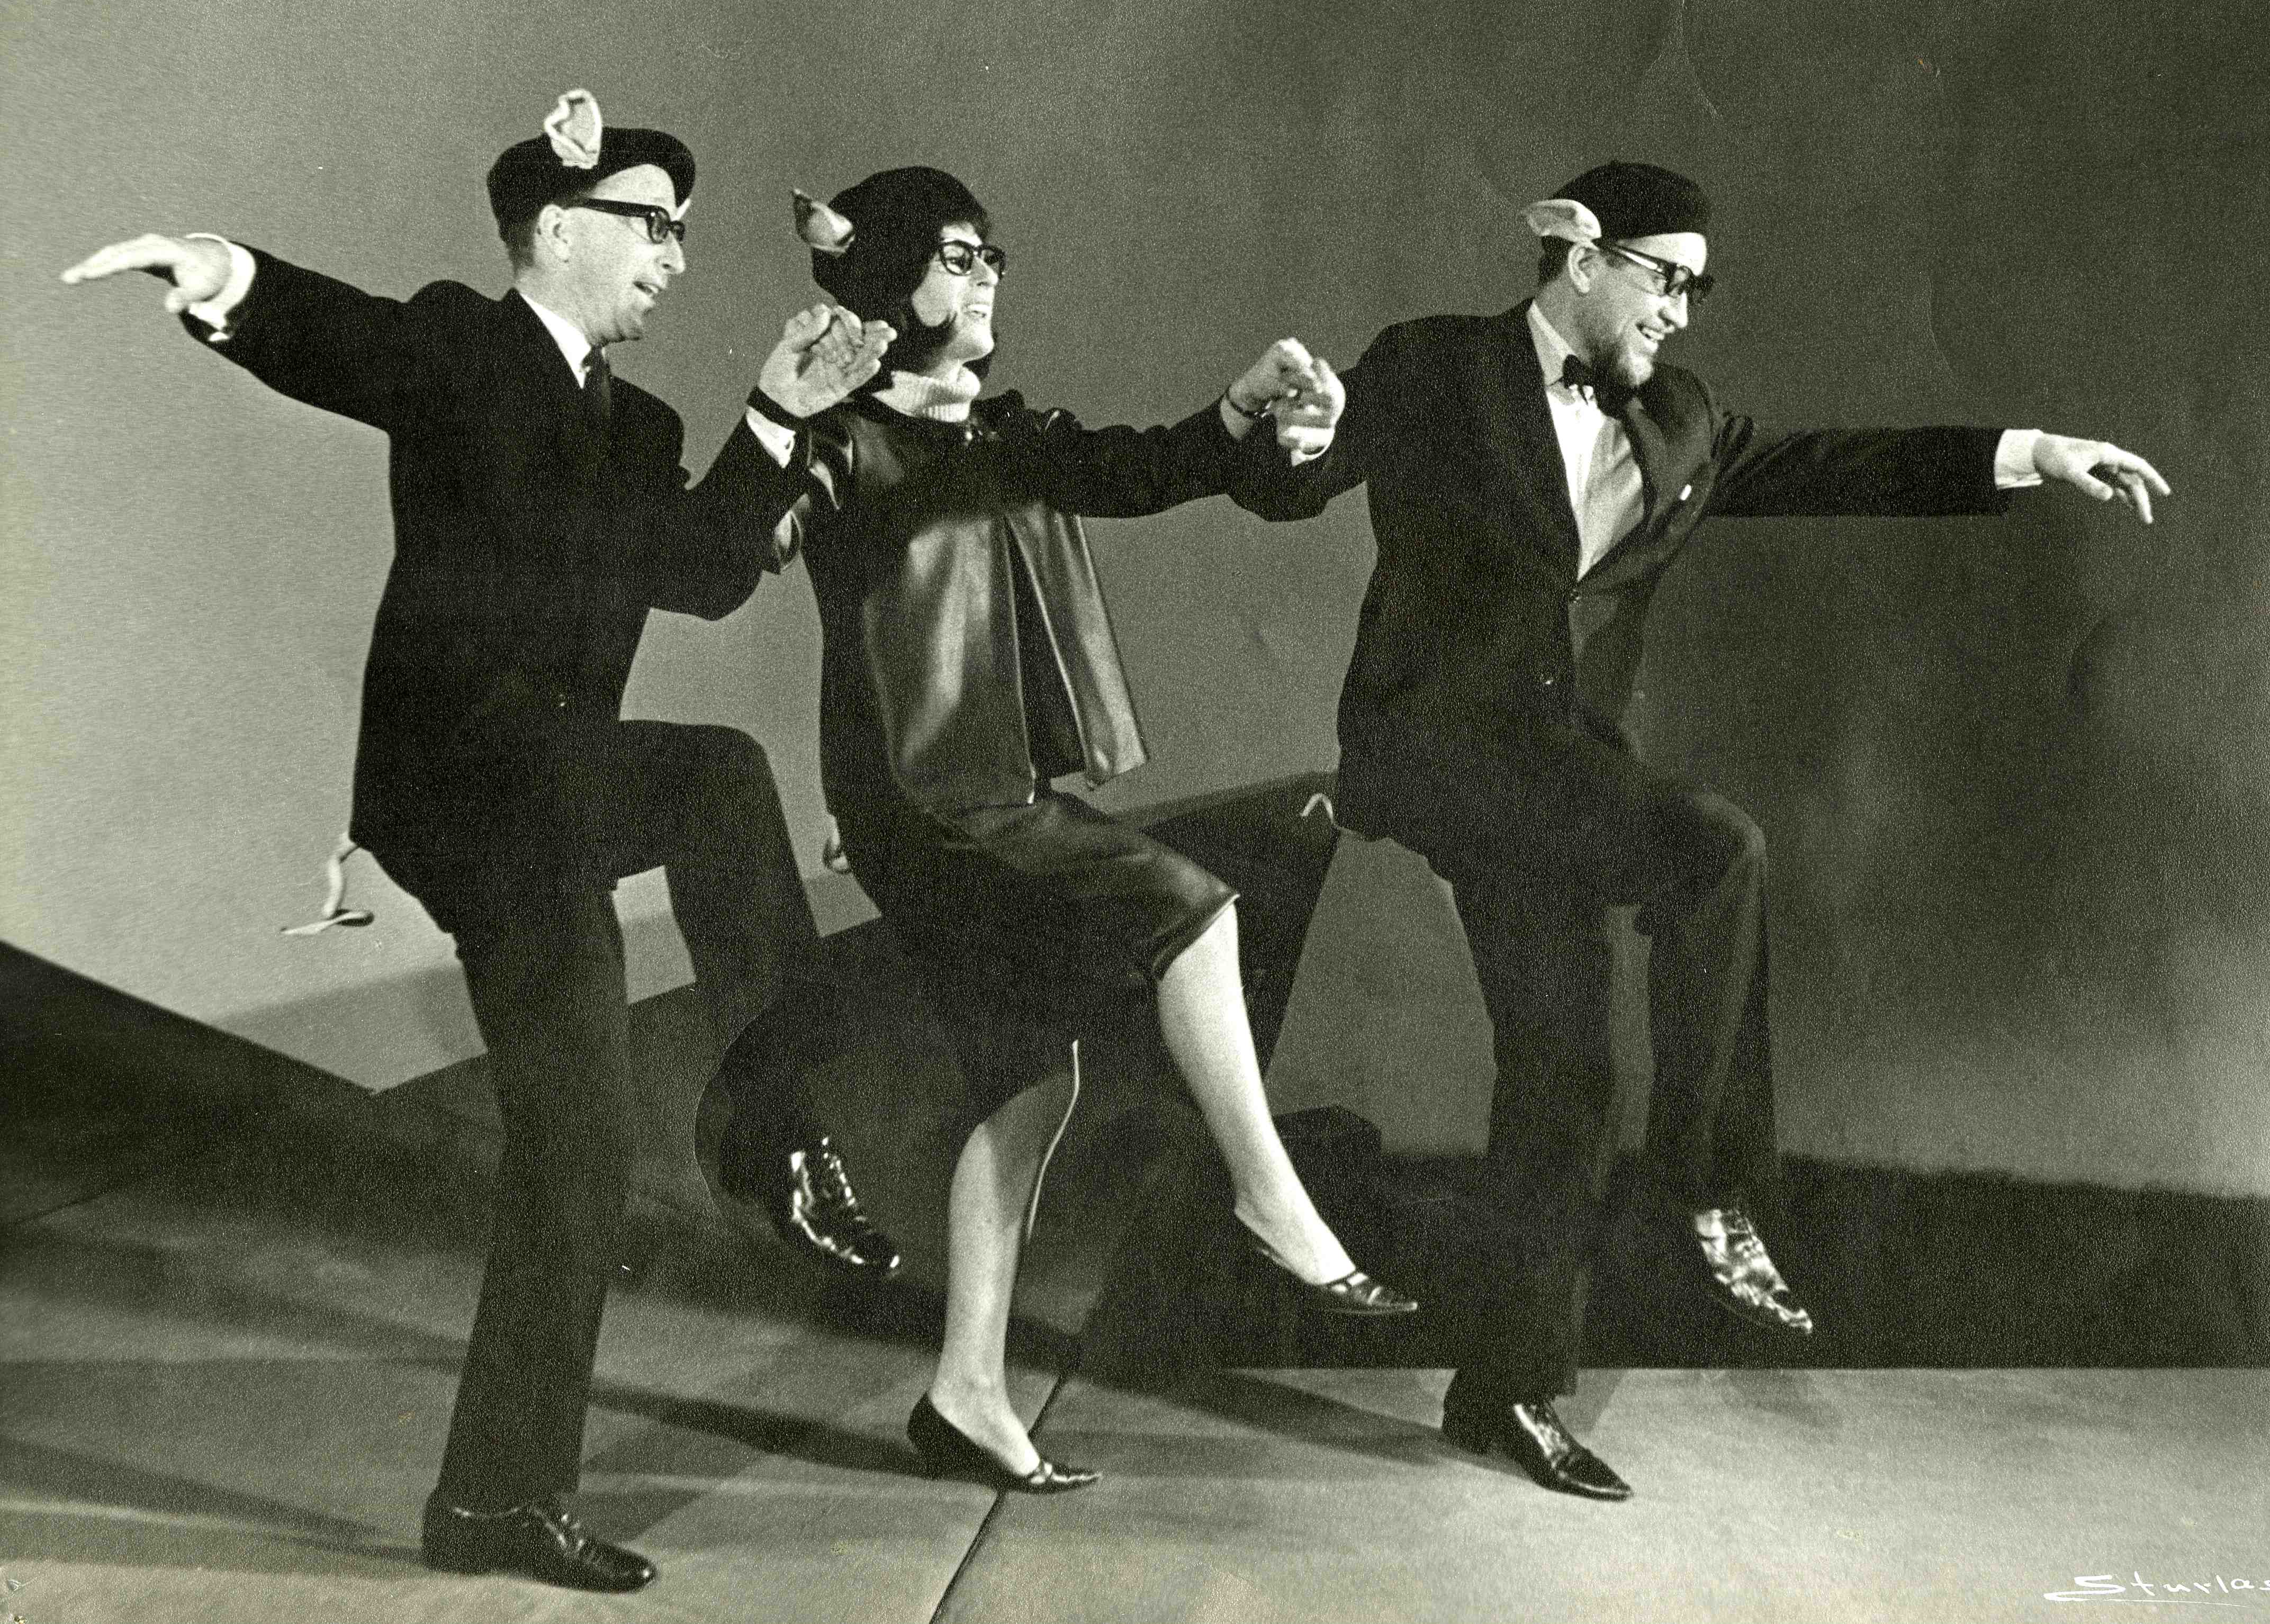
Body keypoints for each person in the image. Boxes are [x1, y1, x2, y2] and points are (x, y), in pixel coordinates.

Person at [59, 92, 903, 1592]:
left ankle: (494, 1504)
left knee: (578, 1151)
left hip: (550, 818)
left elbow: (704, 572)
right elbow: (344, 340)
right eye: (654, 227)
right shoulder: (464, 347)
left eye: (685, 235)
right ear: (558, 229)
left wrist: (777, 414)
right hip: (466, 779)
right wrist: (221, 274)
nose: (677, 258)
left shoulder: (644, 427)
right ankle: (773, 1130)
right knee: (718, 775)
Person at [1235, 161, 2171, 1502]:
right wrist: (1303, 435)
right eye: (1666, 280)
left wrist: (2034, 453)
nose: (1681, 310)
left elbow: (1833, 465)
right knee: (1716, 845)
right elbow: (1302, 481)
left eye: (1697, 289)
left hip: (1563, 782)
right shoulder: (1435, 367)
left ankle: (1504, 1391)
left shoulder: (1678, 416)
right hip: (1445, 758)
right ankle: (1704, 1189)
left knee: (1563, 1074)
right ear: (1580, 257)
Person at [732, 164, 1411, 1493]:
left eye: (994, 255)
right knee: (1192, 908)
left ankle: (966, 1395)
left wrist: (1237, 411)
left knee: (1032, 1078)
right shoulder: (841, 444)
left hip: (996, 800)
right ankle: (1270, 1199)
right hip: (923, 804)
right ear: (894, 282)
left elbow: (1140, 468)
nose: (989, 275)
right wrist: (782, 421)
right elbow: (741, 543)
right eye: (959, 255)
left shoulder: (1004, 435)